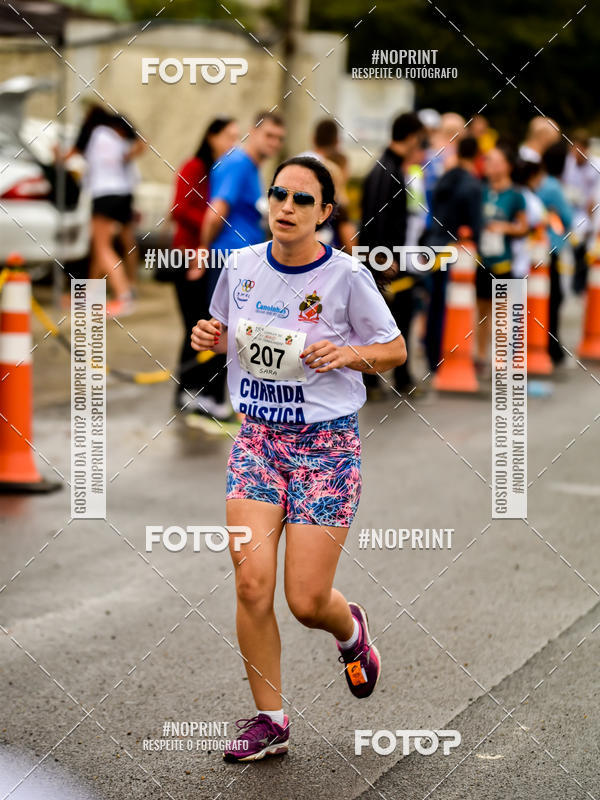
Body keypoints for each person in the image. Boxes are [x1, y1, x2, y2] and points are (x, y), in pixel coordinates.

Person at [191, 156, 406, 762]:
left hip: (325, 449)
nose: (286, 206)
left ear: (325, 213)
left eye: (301, 199)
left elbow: (394, 348)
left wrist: (347, 355)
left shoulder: (346, 277)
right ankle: (270, 720)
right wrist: (207, 336)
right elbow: (220, 328)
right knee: (251, 581)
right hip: (257, 439)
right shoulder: (241, 265)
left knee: (305, 601)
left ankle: (350, 630)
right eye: (278, 194)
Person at [170, 117, 239, 420]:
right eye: (228, 136)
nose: (233, 143)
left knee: (205, 325)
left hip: (210, 258)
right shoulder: (195, 168)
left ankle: (196, 391)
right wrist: (214, 227)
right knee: (193, 324)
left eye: (237, 137)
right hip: (188, 258)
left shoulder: (223, 171)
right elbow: (180, 209)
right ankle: (185, 390)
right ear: (211, 136)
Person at [359, 111, 425, 397]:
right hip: (386, 263)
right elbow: (377, 218)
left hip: (384, 260)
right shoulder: (389, 171)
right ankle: (382, 380)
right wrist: (384, 259)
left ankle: (397, 377)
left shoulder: (385, 167)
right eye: (419, 140)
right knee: (388, 320)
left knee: (389, 319)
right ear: (411, 138)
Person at [425, 135, 483, 372]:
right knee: (455, 307)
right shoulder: (473, 185)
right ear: (477, 156)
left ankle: (432, 355)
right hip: (457, 251)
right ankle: (448, 356)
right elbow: (476, 224)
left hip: (435, 246)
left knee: (435, 304)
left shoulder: (444, 179)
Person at [82, 112, 145, 317]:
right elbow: (130, 154)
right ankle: (93, 293)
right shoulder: (118, 139)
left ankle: (123, 294)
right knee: (110, 243)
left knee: (102, 247)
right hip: (122, 193)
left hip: (104, 194)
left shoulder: (99, 133)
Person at [476, 144, 528, 366]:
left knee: (503, 313)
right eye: (488, 161)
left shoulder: (516, 195)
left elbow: (524, 227)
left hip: (504, 262)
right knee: (481, 311)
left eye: (496, 162)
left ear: (507, 166)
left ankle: (504, 360)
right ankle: (480, 356)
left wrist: (504, 227)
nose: (491, 166)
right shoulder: (480, 190)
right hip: (481, 260)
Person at [537, 142, 573, 364]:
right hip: (551, 248)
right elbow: (568, 218)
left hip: (537, 249)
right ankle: (552, 345)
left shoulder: (541, 183)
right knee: (554, 298)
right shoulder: (553, 187)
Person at [561, 129, 600, 294]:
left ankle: (582, 279)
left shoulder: (595, 166)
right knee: (575, 245)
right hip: (570, 208)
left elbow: (595, 196)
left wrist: (591, 219)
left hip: (589, 210)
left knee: (586, 242)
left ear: (585, 149)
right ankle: (577, 277)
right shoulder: (567, 164)